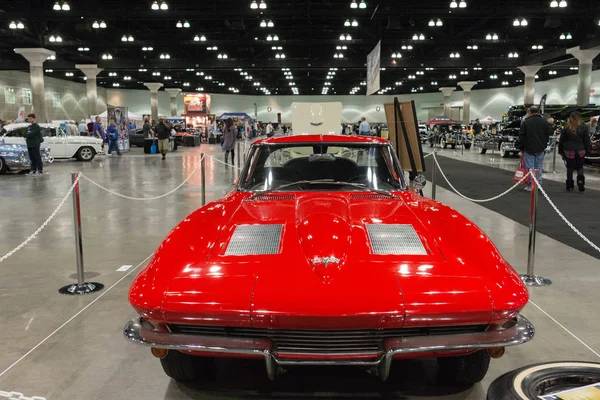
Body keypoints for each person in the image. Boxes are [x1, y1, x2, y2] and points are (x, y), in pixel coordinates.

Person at [518, 106, 553, 191]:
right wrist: (544, 145)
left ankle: (531, 185)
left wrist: (521, 149)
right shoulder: (545, 122)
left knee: (530, 167)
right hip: (540, 148)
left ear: (530, 112)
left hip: (529, 149)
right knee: (539, 167)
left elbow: (521, 137)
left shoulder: (526, 122)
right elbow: (548, 134)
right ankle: (538, 184)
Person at [558, 112, 591, 192]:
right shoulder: (584, 127)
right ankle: (580, 181)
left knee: (570, 167)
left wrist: (560, 150)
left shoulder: (566, 127)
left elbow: (561, 140)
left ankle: (569, 185)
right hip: (580, 150)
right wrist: (587, 150)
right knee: (580, 167)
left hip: (569, 150)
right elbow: (587, 140)